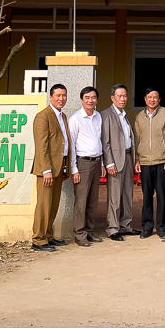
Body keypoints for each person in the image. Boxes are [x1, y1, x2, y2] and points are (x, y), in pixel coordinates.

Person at [31, 83, 72, 252]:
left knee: (53, 205)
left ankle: (48, 235)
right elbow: (41, 146)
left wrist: (65, 167)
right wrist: (46, 170)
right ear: (51, 97)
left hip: (58, 168)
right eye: (58, 95)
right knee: (44, 205)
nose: (61, 98)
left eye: (64, 95)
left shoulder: (62, 116)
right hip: (47, 170)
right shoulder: (43, 116)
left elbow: (62, 142)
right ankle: (38, 239)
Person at [132, 87, 165, 239]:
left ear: (159, 99)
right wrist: (137, 160)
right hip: (145, 162)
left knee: (162, 195)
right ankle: (147, 227)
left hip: (161, 161)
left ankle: (161, 227)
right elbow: (136, 140)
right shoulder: (139, 117)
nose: (152, 100)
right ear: (145, 99)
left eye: (155, 97)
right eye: (149, 97)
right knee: (147, 196)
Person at [69, 86, 105, 247]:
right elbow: (71, 146)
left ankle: (89, 231)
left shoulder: (98, 116)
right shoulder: (75, 119)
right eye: (87, 98)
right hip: (82, 163)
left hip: (96, 162)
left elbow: (100, 140)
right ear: (82, 100)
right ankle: (80, 234)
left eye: (93, 97)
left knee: (93, 200)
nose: (90, 100)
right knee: (81, 201)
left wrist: (102, 163)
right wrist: (74, 169)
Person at [101, 83, 138, 241]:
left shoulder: (124, 115)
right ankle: (113, 228)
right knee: (115, 196)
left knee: (127, 194)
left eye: (125, 96)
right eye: (119, 96)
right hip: (115, 161)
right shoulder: (106, 115)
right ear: (112, 98)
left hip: (128, 158)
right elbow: (105, 142)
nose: (123, 99)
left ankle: (126, 225)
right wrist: (109, 163)